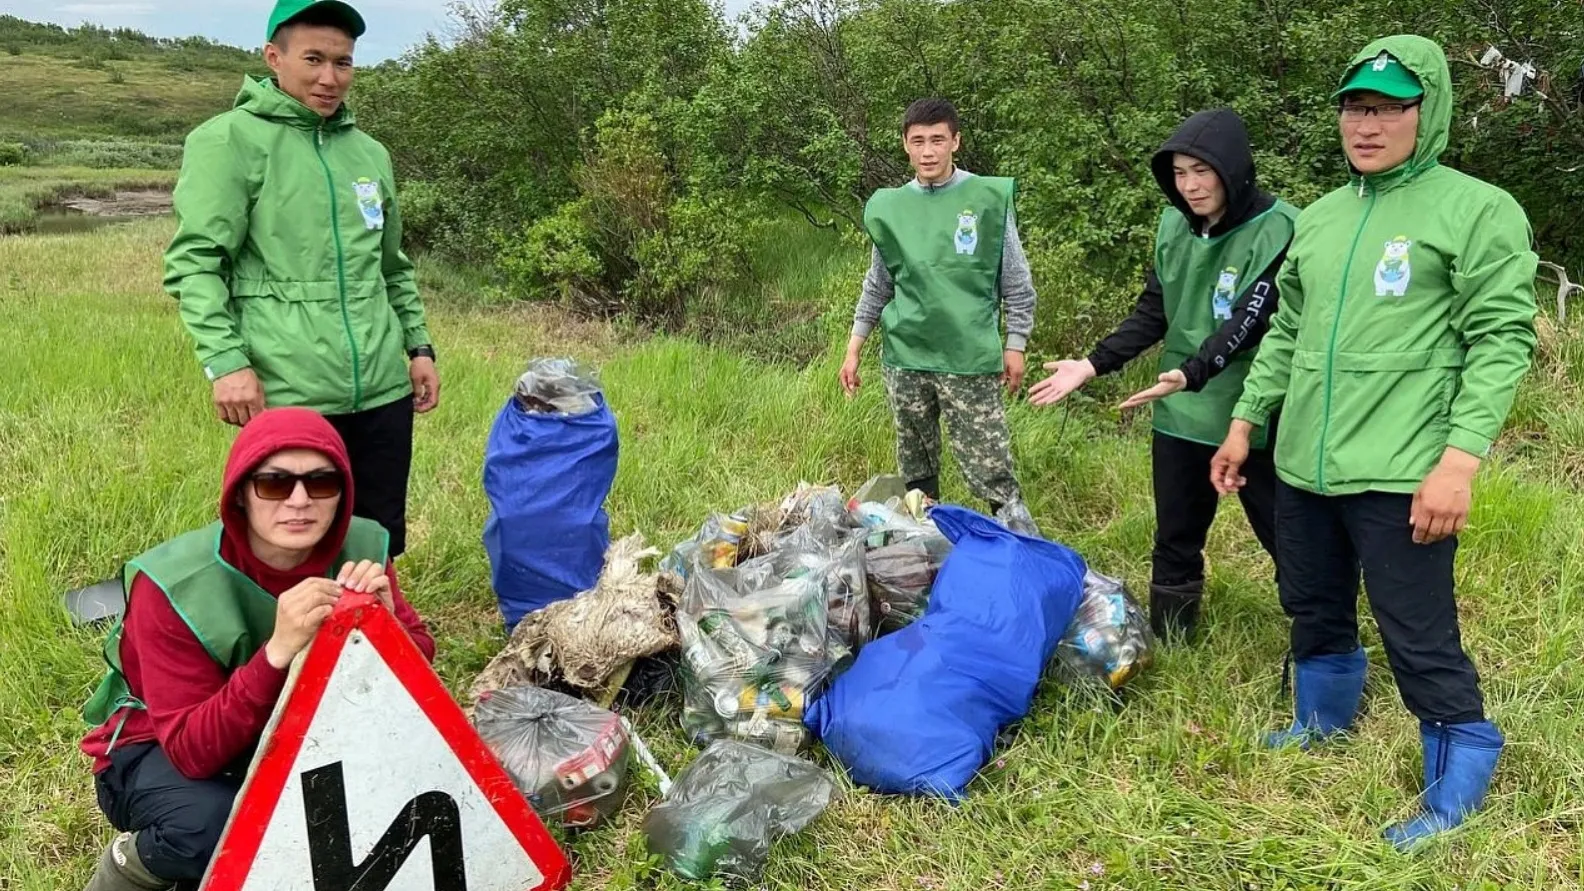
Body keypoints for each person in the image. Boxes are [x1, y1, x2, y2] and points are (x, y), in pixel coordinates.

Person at [1210, 35, 1537, 849]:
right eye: (1357, 107)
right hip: (1304, 465)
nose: (1367, 124)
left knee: (1415, 626)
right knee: (1311, 600)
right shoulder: (1320, 219)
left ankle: (1456, 776)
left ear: (1428, 113)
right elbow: (1285, 331)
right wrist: (1246, 422)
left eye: (1389, 108)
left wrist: (1458, 461)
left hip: (1403, 468)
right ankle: (1322, 719)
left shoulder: (1476, 209)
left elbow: (1502, 337)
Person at [78, 408, 437, 890]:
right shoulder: (173, 585)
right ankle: (129, 869)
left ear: (342, 491)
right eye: (274, 483)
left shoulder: (363, 544)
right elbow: (190, 750)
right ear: (241, 494)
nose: (299, 500)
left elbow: (419, 669)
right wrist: (277, 652)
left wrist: (389, 629)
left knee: (401, 779)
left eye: (322, 482)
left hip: (293, 725)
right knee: (211, 826)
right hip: (157, 744)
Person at [163, 0, 437, 559]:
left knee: (376, 537)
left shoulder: (369, 153)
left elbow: (391, 266)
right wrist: (227, 361)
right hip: (290, 388)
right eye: (313, 58)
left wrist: (418, 346)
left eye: (344, 62)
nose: (330, 77)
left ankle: (369, 642)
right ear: (274, 57)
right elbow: (195, 262)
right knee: (291, 540)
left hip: (382, 388)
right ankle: (287, 645)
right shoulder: (227, 141)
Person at [1028, 108, 1298, 641]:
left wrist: (1194, 371)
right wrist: (1092, 363)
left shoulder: (1280, 229)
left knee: (1288, 536)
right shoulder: (1175, 226)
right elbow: (1154, 310)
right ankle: (1174, 641)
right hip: (1179, 409)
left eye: (1202, 171)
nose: (1191, 186)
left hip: (1255, 411)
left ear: (1233, 169)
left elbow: (1251, 320)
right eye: (1179, 173)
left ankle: (1321, 640)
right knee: (1176, 535)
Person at [839, 98, 1036, 522]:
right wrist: (854, 347)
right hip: (907, 358)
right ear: (905, 146)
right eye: (918, 141)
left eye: (937, 140)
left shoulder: (986, 199)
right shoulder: (891, 208)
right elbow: (879, 284)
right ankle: (922, 557)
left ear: (955, 142)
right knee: (917, 472)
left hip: (969, 360)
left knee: (992, 471)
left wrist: (1015, 343)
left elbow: (1016, 283)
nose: (928, 152)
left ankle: (1022, 553)